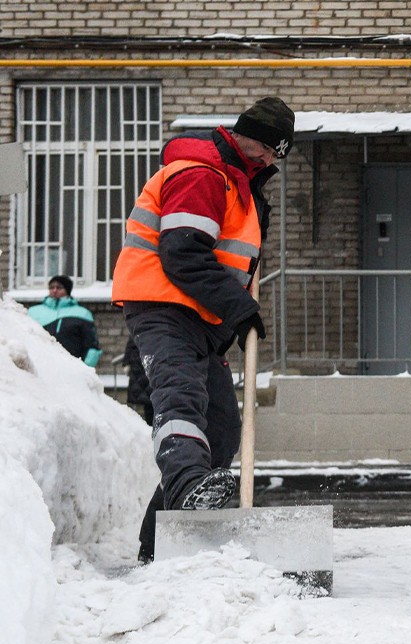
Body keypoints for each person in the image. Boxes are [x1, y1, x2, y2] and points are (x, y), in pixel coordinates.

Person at [112, 96, 295, 563]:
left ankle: (161, 540)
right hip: (164, 306)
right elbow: (184, 254)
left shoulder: (239, 183)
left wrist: (230, 319)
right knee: (180, 401)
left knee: (220, 427)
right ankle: (190, 486)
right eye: (269, 149)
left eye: (279, 153)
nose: (271, 159)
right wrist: (239, 309)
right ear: (244, 137)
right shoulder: (202, 174)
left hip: (202, 319)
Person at [27, 275, 103, 367]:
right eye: (51, 287)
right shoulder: (33, 312)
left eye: (59, 287)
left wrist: (86, 368)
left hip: (72, 368)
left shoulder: (82, 314)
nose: (54, 290)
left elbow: (92, 346)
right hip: (40, 367)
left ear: (67, 290)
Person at [122, 335, 153, 426]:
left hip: (144, 367)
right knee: (150, 406)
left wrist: (126, 362)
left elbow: (130, 346)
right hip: (143, 368)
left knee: (150, 406)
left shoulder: (138, 325)